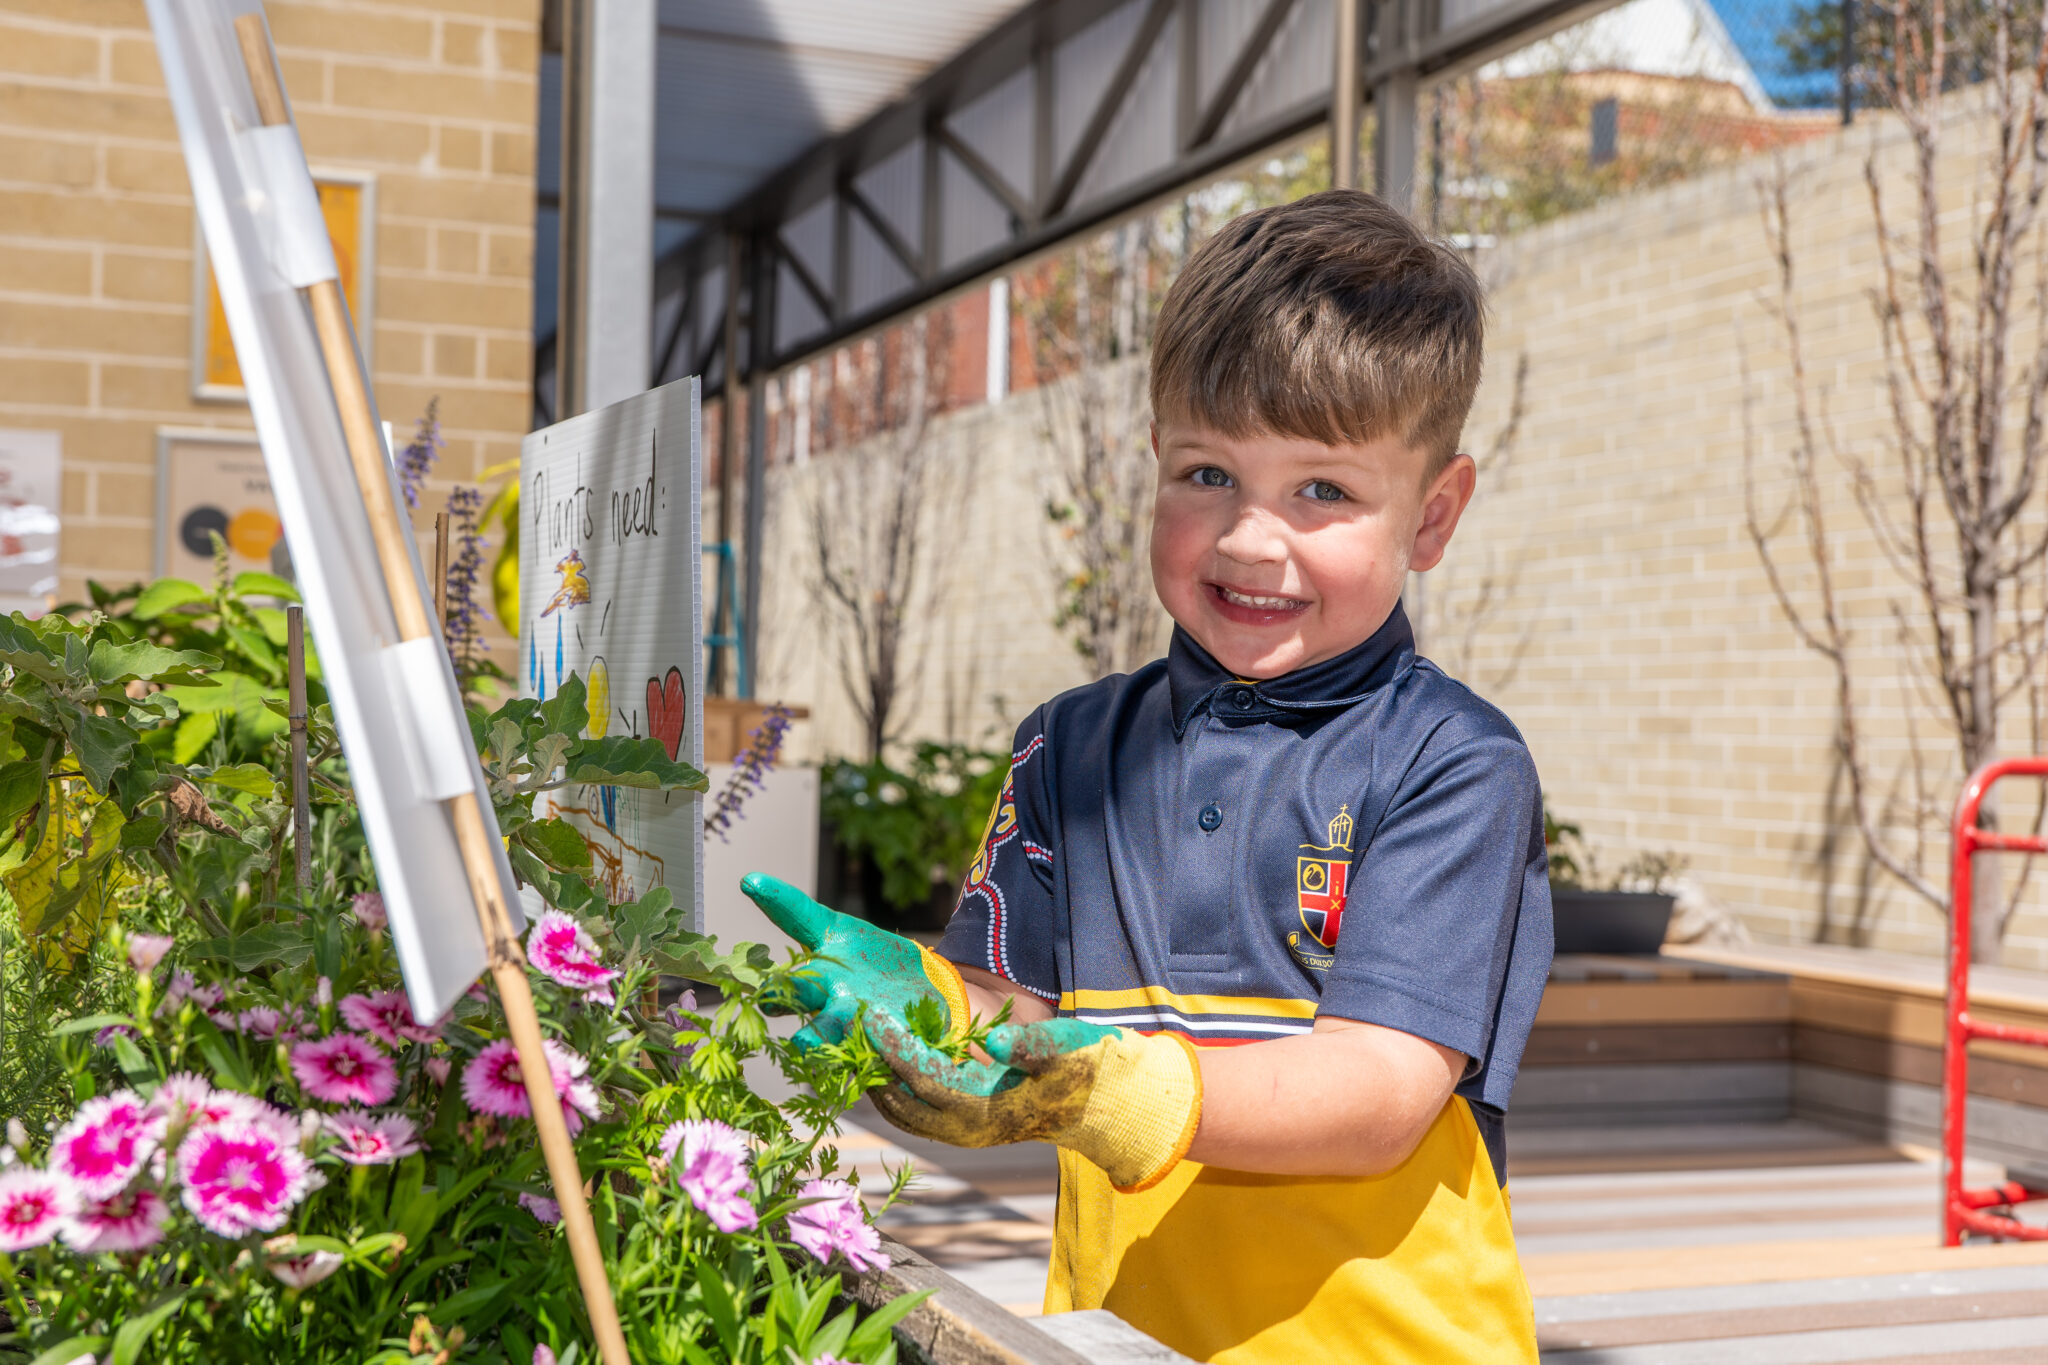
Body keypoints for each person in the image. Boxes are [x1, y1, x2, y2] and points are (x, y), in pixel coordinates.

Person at [744, 188, 1552, 1364]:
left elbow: (1378, 1093)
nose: (1247, 538)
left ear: (1431, 515)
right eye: (1206, 472)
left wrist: (1119, 1093)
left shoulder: (1453, 765)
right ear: (1154, 462)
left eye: (1320, 490)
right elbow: (1009, 1011)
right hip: (1115, 1336)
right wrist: (915, 1016)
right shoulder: (1067, 749)